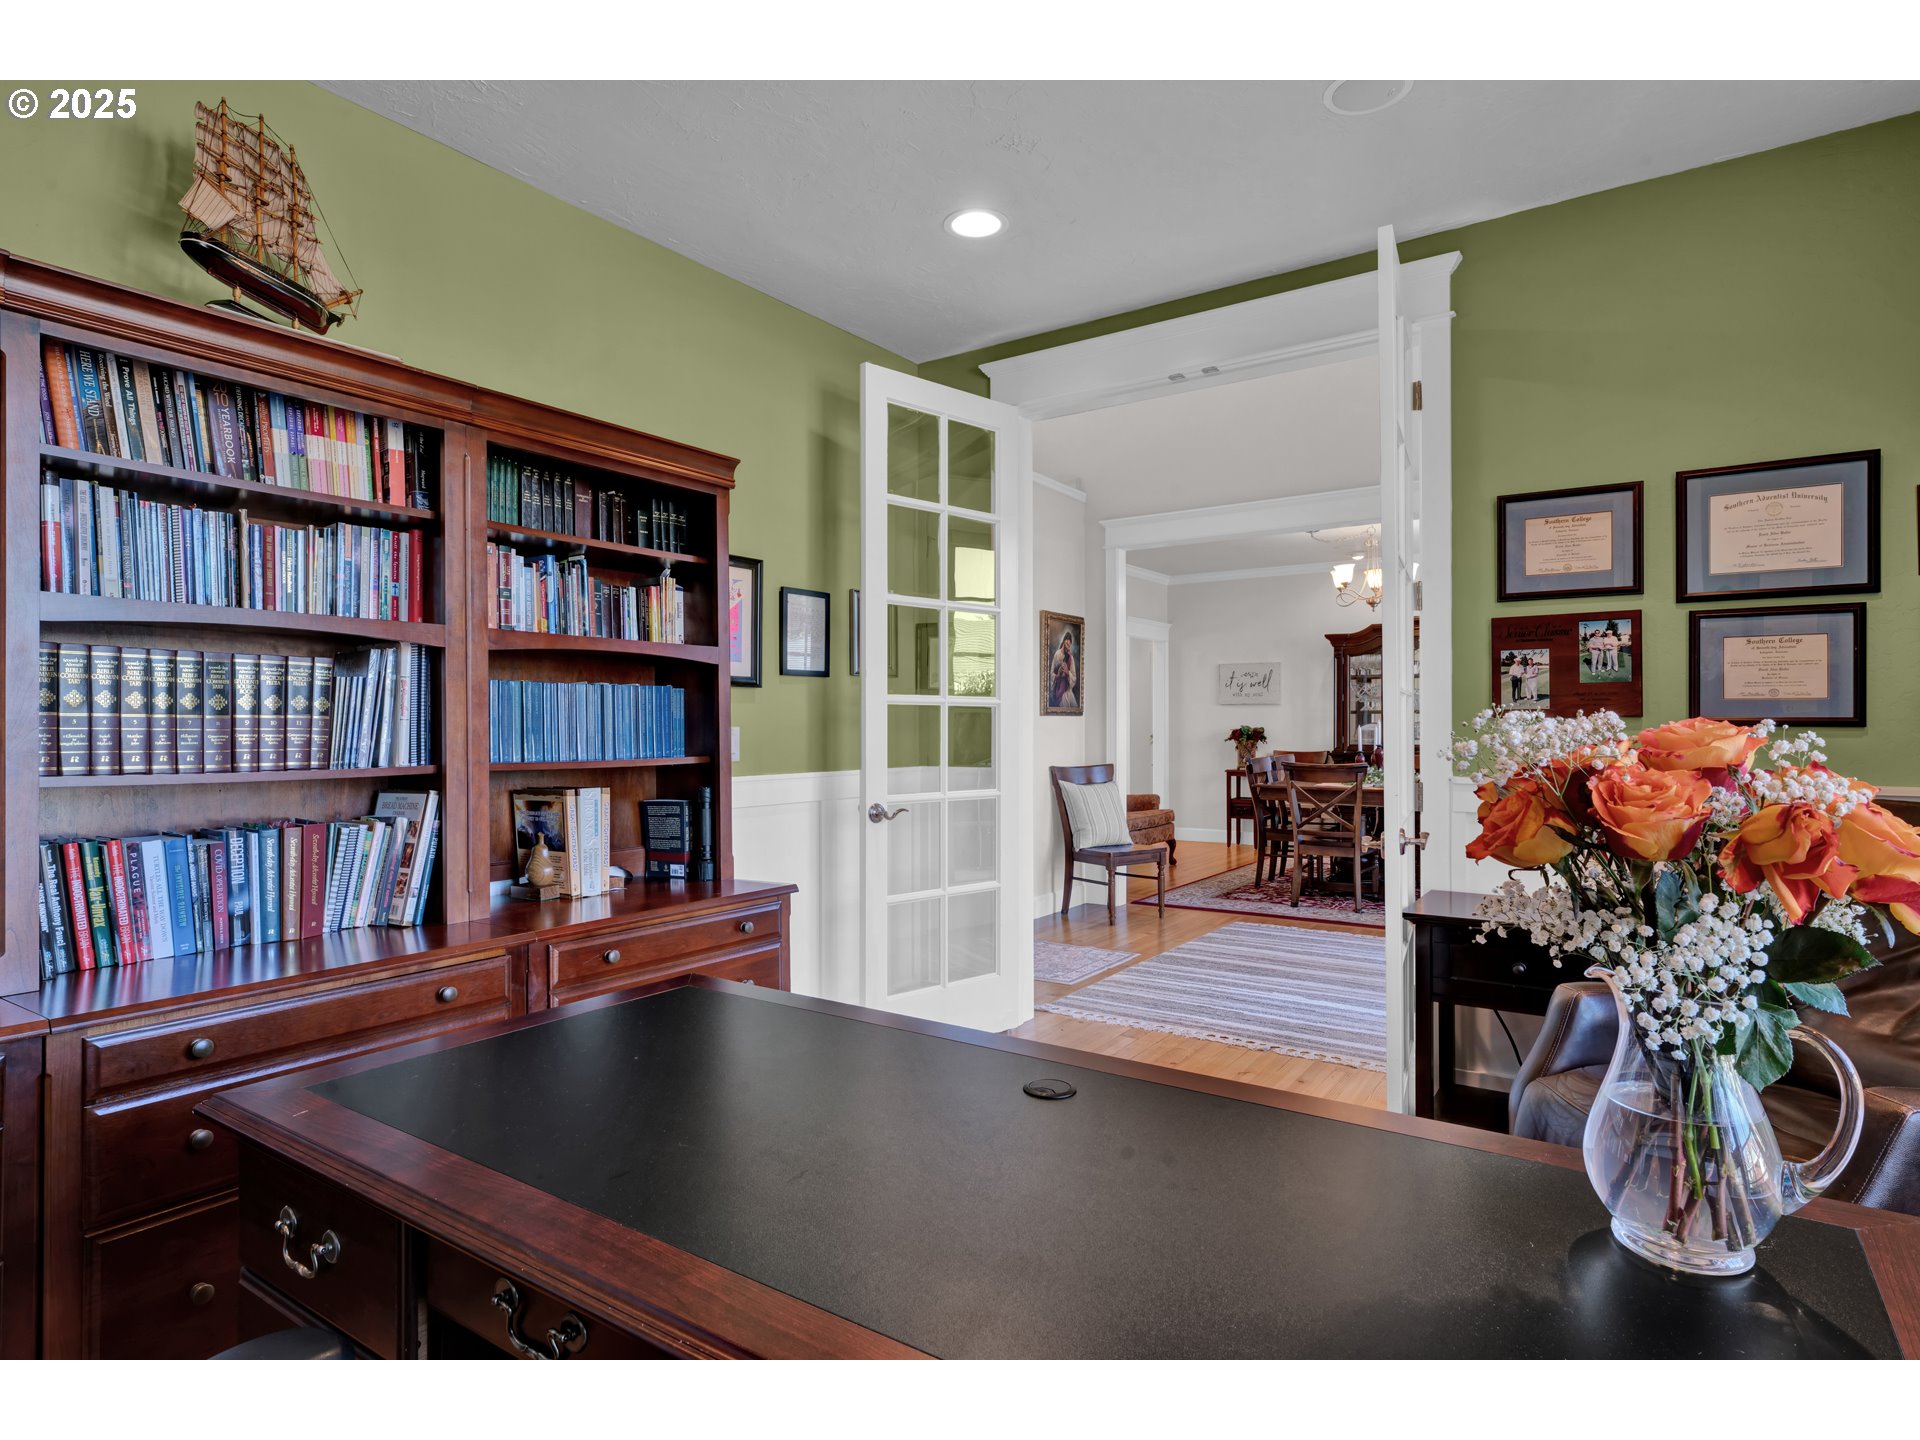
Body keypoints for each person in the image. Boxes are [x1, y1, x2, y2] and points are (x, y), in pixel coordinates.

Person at [1050, 629, 1079, 711]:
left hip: (1068, 691)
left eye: (1070, 642)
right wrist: (1058, 675)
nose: (1068, 643)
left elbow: (1074, 678)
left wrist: (1067, 672)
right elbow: (1051, 673)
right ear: (1064, 641)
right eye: (1067, 641)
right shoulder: (1057, 654)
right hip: (1059, 691)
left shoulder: (1071, 658)